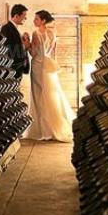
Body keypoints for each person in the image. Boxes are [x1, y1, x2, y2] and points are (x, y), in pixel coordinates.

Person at [22, 10, 75, 142]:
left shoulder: (36, 33)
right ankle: (53, 127)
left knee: (39, 97)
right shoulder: (52, 33)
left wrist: (26, 42)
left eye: (36, 19)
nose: (34, 21)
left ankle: (42, 130)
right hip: (48, 65)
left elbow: (33, 52)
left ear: (43, 21)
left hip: (38, 65)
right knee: (52, 95)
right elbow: (52, 52)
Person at [0, 4, 30, 79]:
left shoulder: (15, 29)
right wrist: (24, 47)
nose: (25, 18)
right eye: (24, 16)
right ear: (16, 16)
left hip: (17, 69)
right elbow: (6, 50)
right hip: (12, 69)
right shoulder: (6, 29)